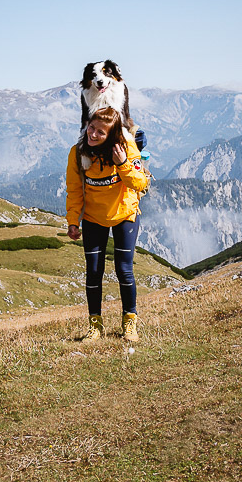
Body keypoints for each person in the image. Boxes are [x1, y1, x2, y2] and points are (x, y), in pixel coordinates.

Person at [66, 107, 150, 342]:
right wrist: (73, 220)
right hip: (94, 217)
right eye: (91, 128)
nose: (93, 134)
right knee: (94, 272)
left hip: (125, 214)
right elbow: (74, 190)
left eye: (100, 132)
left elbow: (140, 183)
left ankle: (129, 324)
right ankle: (95, 326)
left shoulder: (126, 146)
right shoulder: (77, 153)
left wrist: (123, 163)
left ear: (111, 135)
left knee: (124, 270)